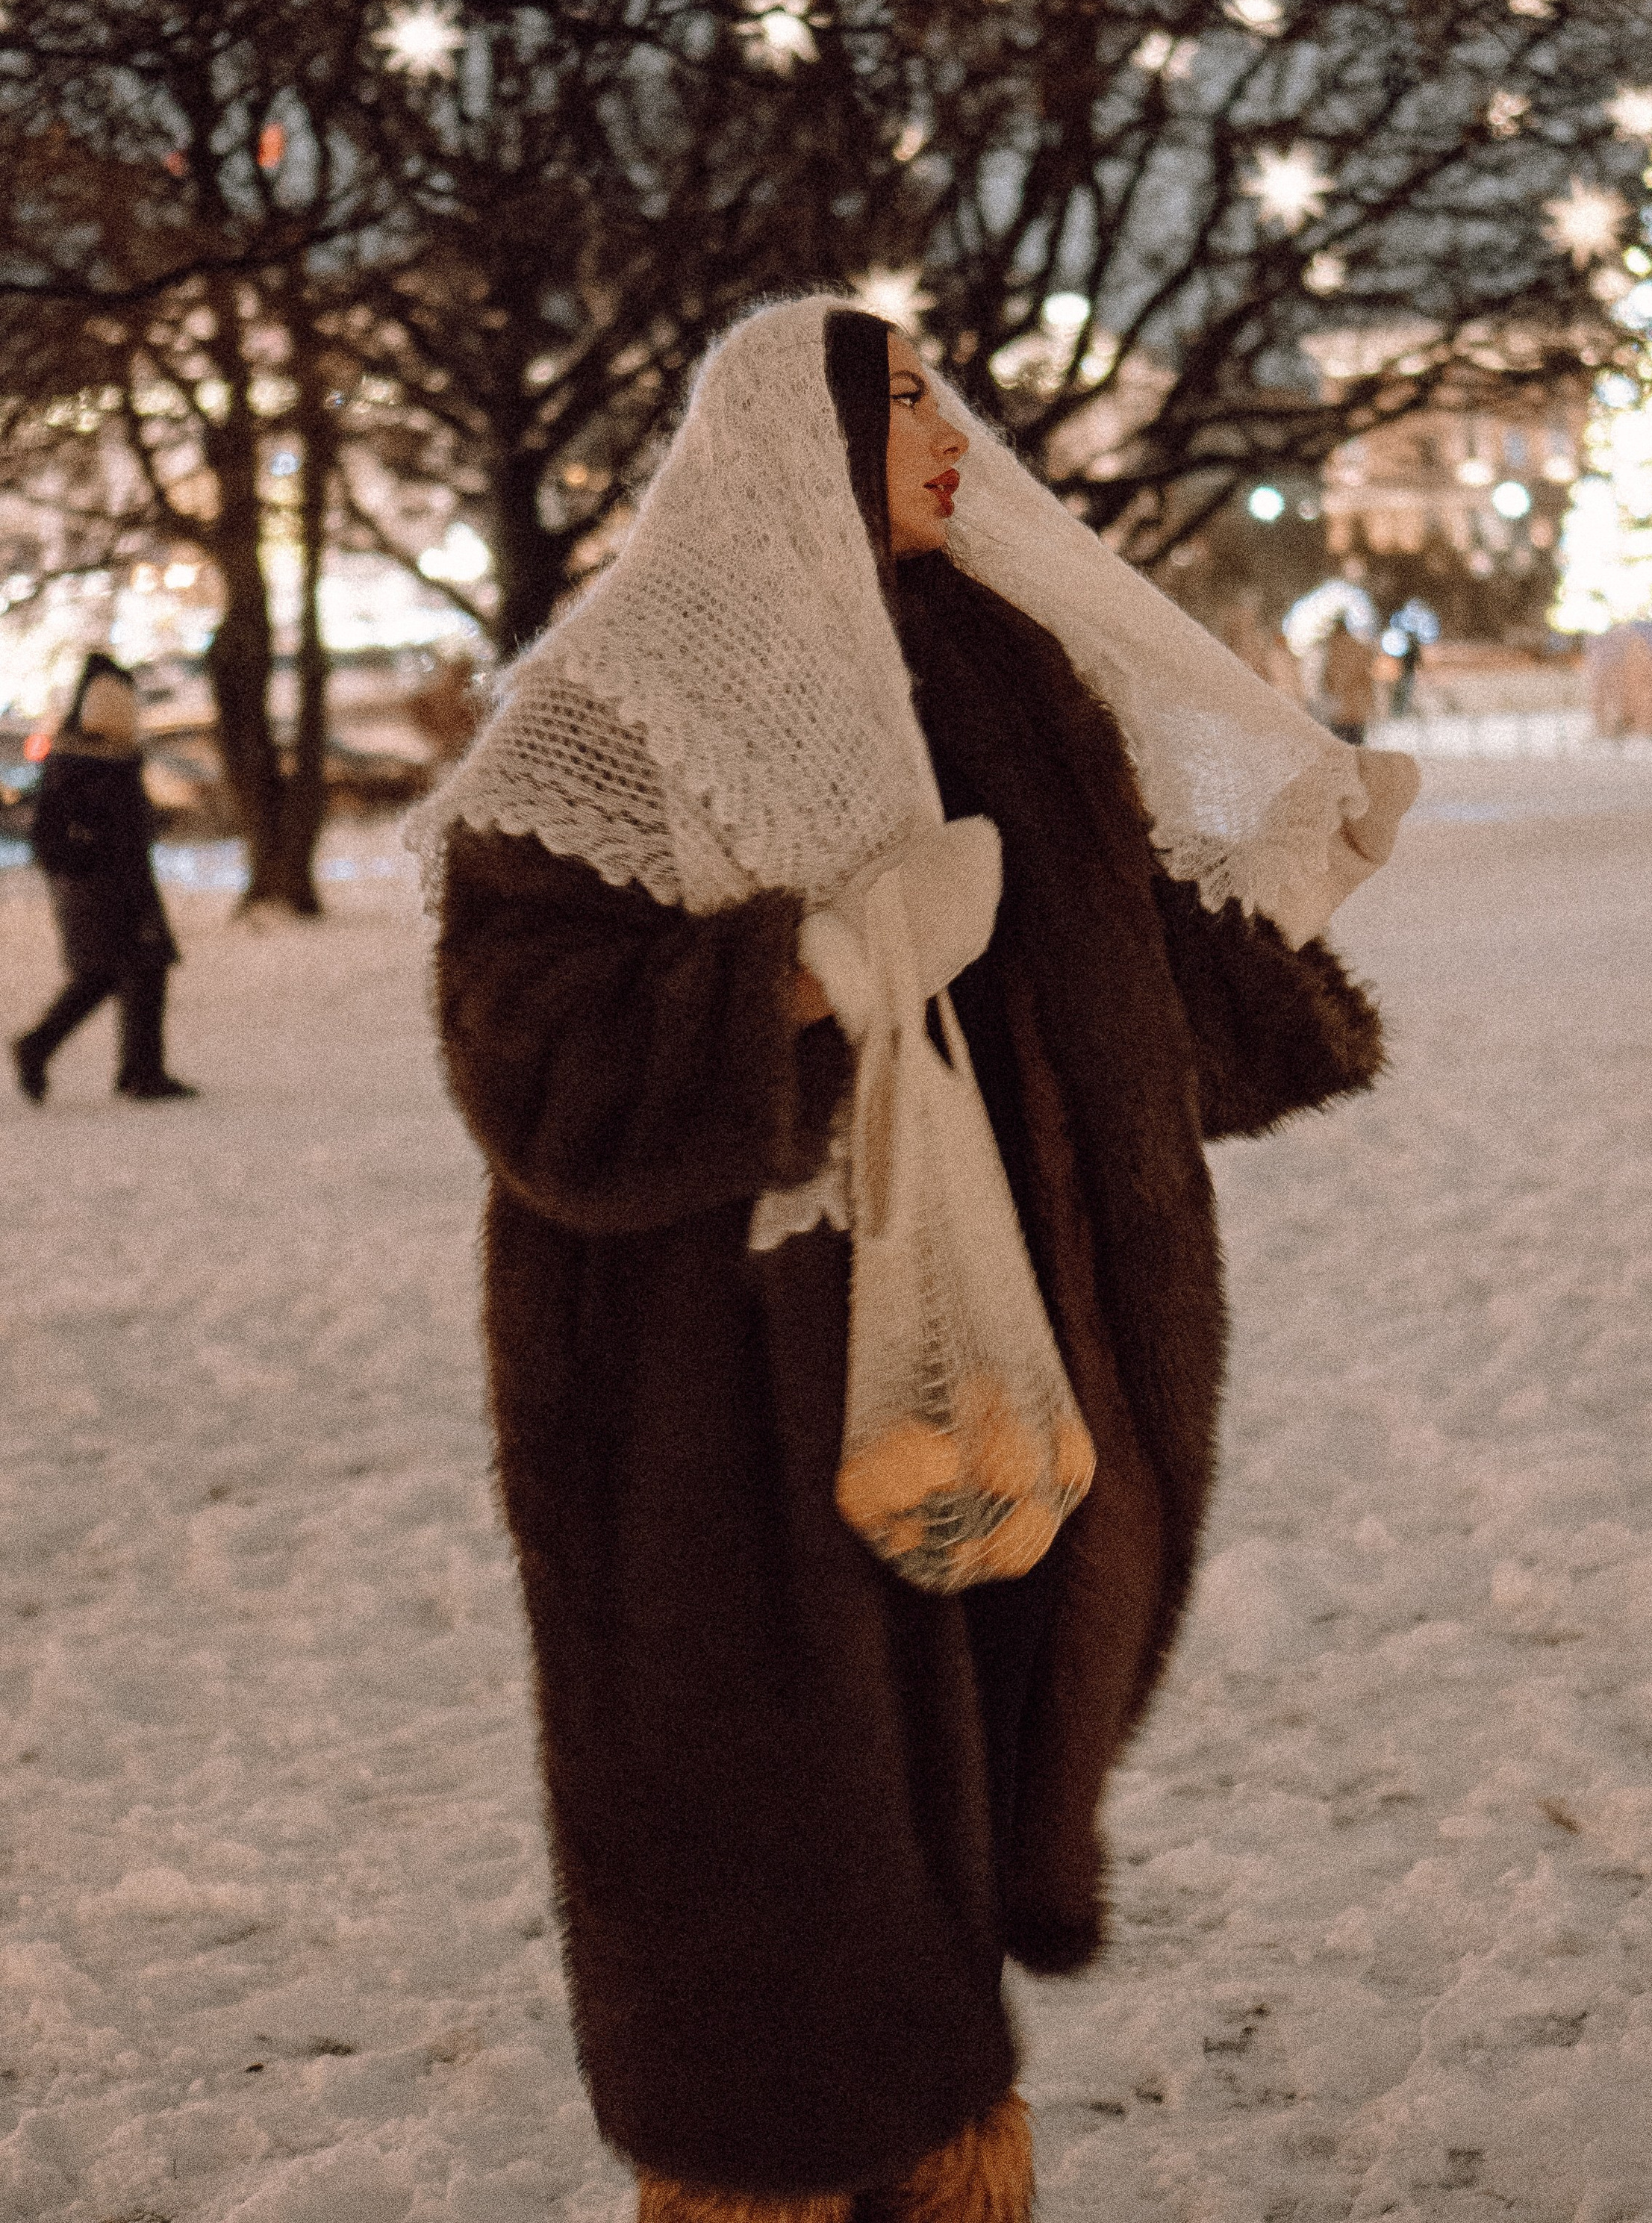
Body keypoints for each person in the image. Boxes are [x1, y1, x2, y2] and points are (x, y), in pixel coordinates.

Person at [411, 299, 1418, 2223]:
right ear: (789, 447)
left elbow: (1082, 980)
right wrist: (813, 970)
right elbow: (522, 1044)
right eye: (900, 402)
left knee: (953, 1808)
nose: (949, 432)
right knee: (769, 1878)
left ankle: (952, 2165)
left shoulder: (993, 661)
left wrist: (1283, 910)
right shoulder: (611, 709)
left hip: (995, 1328)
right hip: (716, 1389)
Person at [13, 652, 196, 1104]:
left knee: (112, 973)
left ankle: (117, 1065)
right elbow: (54, 835)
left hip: (113, 882)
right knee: (136, 968)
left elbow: (123, 827)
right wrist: (91, 860)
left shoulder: (100, 759)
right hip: (105, 887)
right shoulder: (89, 763)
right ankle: (137, 1071)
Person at [1321, 615, 1378, 746]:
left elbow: (1328, 677)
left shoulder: (1334, 647)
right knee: (1356, 742)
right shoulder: (1358, 646)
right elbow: (1367, 674)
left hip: (1341, 707)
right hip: (1357, 706)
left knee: (1340, 743)